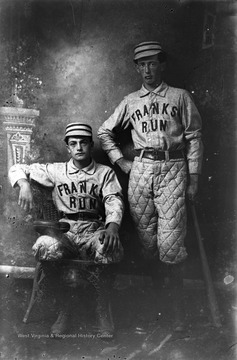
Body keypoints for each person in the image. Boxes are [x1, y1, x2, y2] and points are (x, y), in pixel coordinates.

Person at [97, 41, 203, 330]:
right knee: (147, 245)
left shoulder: (180, 97)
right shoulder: (131, 101)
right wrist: (120, 161)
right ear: (137, 68)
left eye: (152, 63)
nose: (147, 69)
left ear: (162, 64)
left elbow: (194, 137)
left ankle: (177, 313)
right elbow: (105, 131)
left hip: (173, 168)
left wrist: (193, 178)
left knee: (170, 245)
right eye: (141, 64)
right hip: (141, 171)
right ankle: (155, 310)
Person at [8, 122, 124, 337]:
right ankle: (64, 308)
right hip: (65, 232)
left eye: (84, 143)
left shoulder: (104, 172)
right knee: (44, 246)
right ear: (68, 148)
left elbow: (113, 199)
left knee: (110, 248)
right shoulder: (56, 170)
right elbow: (17, 168)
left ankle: (101, 310)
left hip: (93, 230)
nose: (79, 147)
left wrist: (113, 227)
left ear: (90, 145)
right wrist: (24, 184)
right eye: (73, 144)